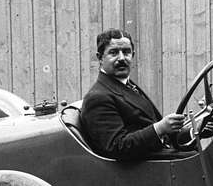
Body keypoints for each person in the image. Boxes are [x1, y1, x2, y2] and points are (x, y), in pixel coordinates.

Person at [79, 29, 186, 161]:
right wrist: (159, 128)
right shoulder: (98, 97)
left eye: (126, 52)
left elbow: (158, 135)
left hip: (156, 158)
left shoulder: (127, 86)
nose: (122, 58)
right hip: (142, 169)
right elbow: (117, 147)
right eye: (113, 53)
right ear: (100, 57)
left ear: (133, 55)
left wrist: (194, 130)